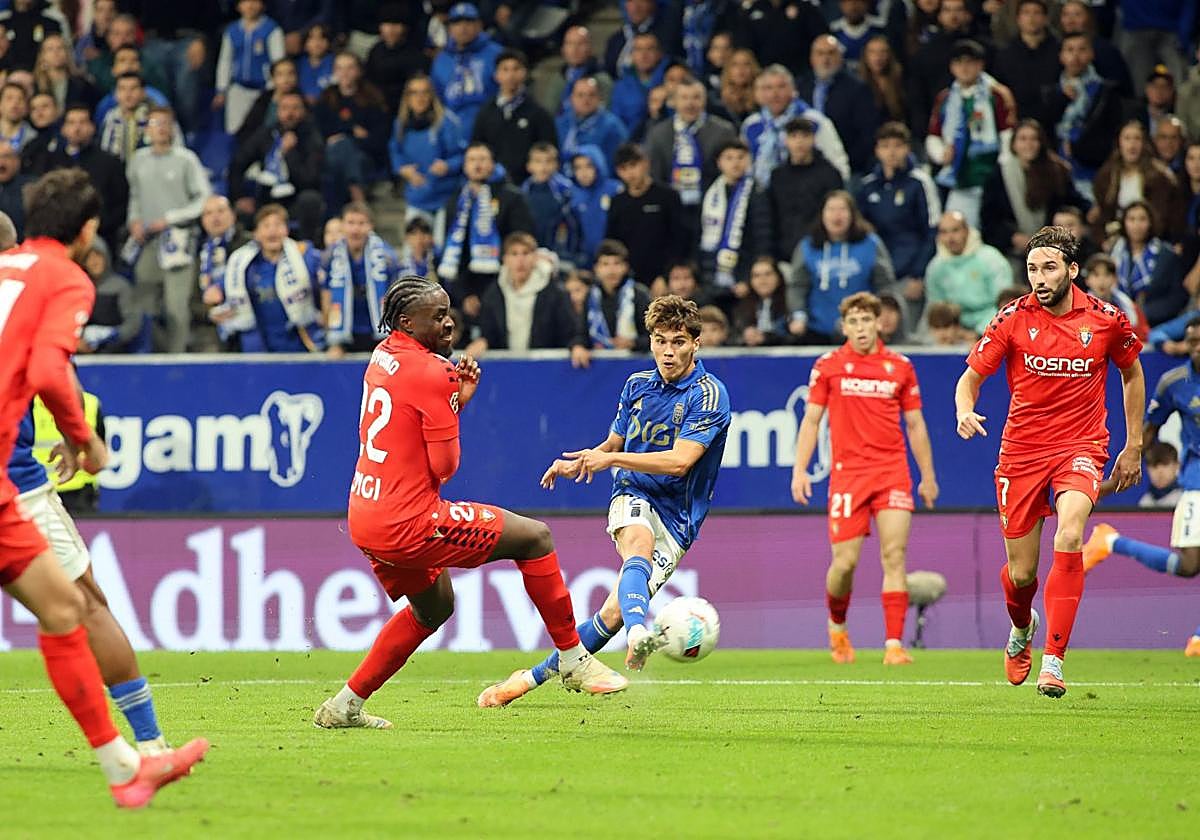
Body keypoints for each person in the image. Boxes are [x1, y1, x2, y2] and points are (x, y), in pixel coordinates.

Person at [313, 276, 626, 729]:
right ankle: (574, 659)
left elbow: (408, 417)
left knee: (434, 607)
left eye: (448, 311)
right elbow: (445, 466)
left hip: (365, 515)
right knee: (535, 537)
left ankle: (343, 706)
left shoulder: (382, 357)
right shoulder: (432, 372)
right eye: (436, 316)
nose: (448, 322)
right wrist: (454, 402)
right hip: (410, 521)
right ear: (406, 321)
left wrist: (449, 398)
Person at [0, 168, 208, 806]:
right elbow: (45, 365)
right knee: (83, 607)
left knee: (64, 611)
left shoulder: (7, 269)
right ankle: (146, 750)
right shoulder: (62, 276)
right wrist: (84, 439)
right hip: (14, 475)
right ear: (89, 230)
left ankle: (129, 768)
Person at [478, 295, 731, 705]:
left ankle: (526, 679)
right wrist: (584, 459)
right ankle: (639, 631)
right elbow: (614, 442)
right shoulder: (636, 386)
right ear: (650, 341)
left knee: (610, 616)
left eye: (679, 342)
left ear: (696, 344)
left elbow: (681, 462)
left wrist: (610, 456)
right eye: (661, 340)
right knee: (638, 546)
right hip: (632, 491)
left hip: (679, 517)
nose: (668, 351)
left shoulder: (708, 395)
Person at [954, 225, 1145, 698]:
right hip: (1021, 452)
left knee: (1071, 532)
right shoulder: (1013, 318)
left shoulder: (1106, 320)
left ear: (1072, 270)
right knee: (1021, 575)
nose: (1039, 277)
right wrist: (963, 408)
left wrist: (1134, 443)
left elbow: (1132, 373)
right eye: (1032, 268)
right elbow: (970, 379)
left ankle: (1054, 662)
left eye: (1049, 268)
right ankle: (1023, 627)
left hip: (1081, 446)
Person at [792, 291, 938, 664]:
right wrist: (800, 469)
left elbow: (916, 424)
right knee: (845, 564)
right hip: (847, 477)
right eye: (853, 322)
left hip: (892, 473)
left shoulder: (900, 366)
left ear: (879, 323)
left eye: (866, 320)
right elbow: (811, 420)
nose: (860, 328)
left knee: (894, 555)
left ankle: (894, 645)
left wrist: (927, 475)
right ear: (844, 327)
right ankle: (837, 627)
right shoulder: (828, 366)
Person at [1081, 320, 1200, 656]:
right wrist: (1120, 473)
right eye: (1192, 342)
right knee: (1189, 565)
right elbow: (1148, 432)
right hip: (1196, 479)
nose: (1197, 348)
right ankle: (1110, 541)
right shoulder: (1175, 383)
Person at [126, 106, 211, 354]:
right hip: (147, 240)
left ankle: (177, 357)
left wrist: (171, 218)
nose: (161, 128)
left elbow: (203, 199)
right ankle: (146, 354)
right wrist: (134, 220)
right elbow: (135, 196)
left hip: (178, 241)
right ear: (146, 129)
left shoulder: (186, 159)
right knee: (144, 301)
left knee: (177, 305)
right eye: (155, 122)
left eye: (166, 123)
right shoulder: (137, 160)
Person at [203, 204, 324, 353]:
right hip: (259, 347)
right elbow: (220, 288)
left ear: (286, 230)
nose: (272, 230)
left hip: (300, 344)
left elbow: (326, 277)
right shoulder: (243, 264)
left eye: (278, 225)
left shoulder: (304, 256)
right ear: (256, 233)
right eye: (266, 226)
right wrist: (215, 292)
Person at [926, 39, 1017, 230]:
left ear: (980, 65)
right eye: (959, 62)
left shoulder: (996, 94)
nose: (964, 68)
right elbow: (934, 134)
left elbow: (1007, 133)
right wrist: (941, 153)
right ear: (952, 67)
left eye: (970, 62)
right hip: (959, 178)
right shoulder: (945, 98)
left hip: (992, 175)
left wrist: (1004, 166)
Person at [438, 141, 535, 319]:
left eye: (482, 159)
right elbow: (453, 253)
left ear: (492, 163)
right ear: (465, 166)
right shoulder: (455, 202)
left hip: (506, 286)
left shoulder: (512, 197)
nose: (477, 164)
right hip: (467, 291)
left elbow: (521, 242)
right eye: (472, 159)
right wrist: (465, 294)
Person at [856, 121, 939, 325]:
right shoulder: (867, 187)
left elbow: (932, 231)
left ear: (907, 149)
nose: (891, 152)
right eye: (885, 146)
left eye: (897, 146)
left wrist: (918, 275)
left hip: (908, 276)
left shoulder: (920, 183)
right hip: (876, 277)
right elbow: (860, 232)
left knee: (906, 333)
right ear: (877, 151)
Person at [786, 190, 895, 345]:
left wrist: (883, 314)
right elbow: (797, 286)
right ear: (822, 215)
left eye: (842, 209)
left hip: (861, 331)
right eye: (831, 209)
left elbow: (885, 284)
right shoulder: (807, 247)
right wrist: (798, 315)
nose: (836, 215)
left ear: (852, 214)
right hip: (816, 330)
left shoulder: (871, 244)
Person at [982, 119, 1087, 261]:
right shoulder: (998, 176)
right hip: (1012, 250)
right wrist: (1012, 237)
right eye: (1023, 139)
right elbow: (989, 219)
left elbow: (1073, 200)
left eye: (1034, 139)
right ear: (1013, 144)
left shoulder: (1056, 171)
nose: (1028, 144)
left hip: (1053, 247)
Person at [645, 77, 738, 238]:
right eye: (684, 98)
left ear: (705, 100)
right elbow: (654, 176)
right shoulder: (657, 134)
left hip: (713, 211)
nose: (690, 104)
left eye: (696, 97)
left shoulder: (724, 131)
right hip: (671, 213)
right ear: (673, 101)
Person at [229, 91, 326, 243]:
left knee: (310, 200)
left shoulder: (312, 138)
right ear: (278, 111)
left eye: (295, 108)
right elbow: (237, 164)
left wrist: (289, 154)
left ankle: (306, 248)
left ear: (304, 111)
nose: (290, 113)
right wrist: (240, 196)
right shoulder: (266, 134)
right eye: (285, 108)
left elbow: (309, 180)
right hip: (266, 199)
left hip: (295, 199)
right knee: (240, 212)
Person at [1043, 32, 1123, 201]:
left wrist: (1081, 148)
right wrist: (1061, 100)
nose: (1075, 56)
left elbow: (1112, 135)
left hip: (1092, 171)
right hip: (1056, 172)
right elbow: (1044, 125)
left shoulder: (1106, 92)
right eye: (1070, 50)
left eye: (1082, 50)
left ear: (1091, 54)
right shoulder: (1050, 92)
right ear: (1061, 56)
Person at [467, 232, 577, 355]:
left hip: (544, 366)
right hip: (507, 367)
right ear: (505, 259)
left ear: (535, 257)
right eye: (514, 254)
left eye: (526, 253)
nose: (520, 260)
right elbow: (488, 331)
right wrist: (483, 341)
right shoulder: (494, 293)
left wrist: (576, 345)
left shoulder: (556, 293)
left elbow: (569, 332)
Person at [741, 63, 849, 187]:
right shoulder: (751, 125)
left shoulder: (814, 121)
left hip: (808, 191)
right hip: (762, 195)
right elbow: (745, 166)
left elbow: (837, 161)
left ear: (793, 90)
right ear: (759, 93)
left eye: (781, 87)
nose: (774, 94)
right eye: (768, 88)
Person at [39, 103, 127, 250]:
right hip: (59, 239)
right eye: (71, 123)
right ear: (63, 129)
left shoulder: (109, 162)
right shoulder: (51, 161)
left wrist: (99, 226)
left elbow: (121, 204)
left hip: (101, 239)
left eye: (82, 122)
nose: (77, 128)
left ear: (92, 127)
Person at [322, 202, 402, 355]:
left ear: (370, 226)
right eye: (350, 223)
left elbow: (396, 296)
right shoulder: (330, 256)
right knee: (333, 356)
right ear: (343, 226)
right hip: (344, 333)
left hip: (380, 331)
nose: (355, 229)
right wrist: (330, 331)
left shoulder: (387, 257)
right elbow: (326, 295)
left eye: (361, 223)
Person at [1090, 120, 1187, 245]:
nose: (1132, 144)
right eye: (1127, 138)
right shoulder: (1106, 176)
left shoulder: (1160, 177)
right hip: (1116, 240)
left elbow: (1166, 218)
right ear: (1119, 142)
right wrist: (1104, 241)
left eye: (1137, 139)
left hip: (1153, 240)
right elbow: (1101, 215)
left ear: (1144, 143)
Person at [470, 48, 556, 187]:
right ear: (496, 75)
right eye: (505, 69)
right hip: (492, 186)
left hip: (529, 187)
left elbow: (549, 150)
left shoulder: (539, 114)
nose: (510, 75)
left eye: (516, 69)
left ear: (525, 73)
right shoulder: (485, 113)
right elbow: (477, 148)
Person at [605, 142, 686, 287]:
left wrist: (665, 276)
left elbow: (679, 241)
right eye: (624, 168)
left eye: (633, 165)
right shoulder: (617, 202)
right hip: (628, 280)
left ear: (645, 164)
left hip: (663, 279)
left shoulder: (668, 197)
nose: (630, 173)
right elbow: (613, 243)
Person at [316, 52, 390, 206]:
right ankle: (357, 195)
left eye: (350, 68)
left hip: (365, 157)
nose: (344, 73)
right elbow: (320, 132)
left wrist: (345, 137)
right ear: (334, 71)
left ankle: (349, 199)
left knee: (345, 148)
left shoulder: (373, 99)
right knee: (338, 151)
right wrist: (352, 131)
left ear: (359, 71)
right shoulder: (326, 98)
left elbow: (378, 140)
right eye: (340, 68)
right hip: (329, 156)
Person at [389, 74, 466, 223]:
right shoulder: (400, 124)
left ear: (432, 96)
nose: (420, 98)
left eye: (425, 92)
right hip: (416, 198)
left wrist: (448, 165)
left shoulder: (447, 122)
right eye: (414, 93)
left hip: (446, 198)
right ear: (407, 97)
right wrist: (402, 169)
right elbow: (395, 151)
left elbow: (462, 156)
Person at [698, 138, 769, 301]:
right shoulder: (709, 193)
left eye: (740, 157)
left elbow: (762, 238)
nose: (735, 163)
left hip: (744, 277)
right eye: (729, 158)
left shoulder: (757, 193)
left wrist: (748, 278)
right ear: (719, 162)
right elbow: (699, 234)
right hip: (711, 276)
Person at [797, 35, 878, 175]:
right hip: (804, 167)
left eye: (831, 53)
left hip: (846, 165)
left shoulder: (857, 89)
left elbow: (867, 134)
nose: (825, 59)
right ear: (811, 58)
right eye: (820, 53)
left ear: (840, 57)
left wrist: (844, 160)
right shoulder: (801, 86)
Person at [924, 211, 1013, 336]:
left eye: (955, 230)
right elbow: (936, 309)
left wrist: (979, 333)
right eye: (944, 232)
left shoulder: (992, 259)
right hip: (954, 334)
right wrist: (953, 332)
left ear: (966, 231)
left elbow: (1005, 305)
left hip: (993, 330)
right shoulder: (935, 268)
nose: (950, 238)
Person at [767, 116, 843, 262]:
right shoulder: (777, 176)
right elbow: (772, 215)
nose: (799, 142)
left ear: (813, 139)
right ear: (786, 141)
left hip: (820, 250)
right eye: (794, 136)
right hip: (784, 252)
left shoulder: (830, 174)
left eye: (805, 136)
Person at [569, 238, 652, 367]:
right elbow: (581, 333)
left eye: (617, 263)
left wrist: (633, 343)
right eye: (605, 264)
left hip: (636, 366)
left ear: (625, 267)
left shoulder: (639, 295)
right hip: (599, 369)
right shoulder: (590, 296)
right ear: (596, 268)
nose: (611, 270)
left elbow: (655, 337)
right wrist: (578, 346)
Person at [1108, 200, 1187, 327]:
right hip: (1117, 322)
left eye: (1142, 219)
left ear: (1150, 222)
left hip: (1155, 323)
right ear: (1124, 223)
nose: (1136, 225)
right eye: (1131, 219)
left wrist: (1141, 314)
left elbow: (1177, 297)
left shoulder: (1166, 254)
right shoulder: (1115, 252)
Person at [430, 2, 504, 136]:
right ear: (450, 28)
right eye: (457, 23)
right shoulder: (441, 59)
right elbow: (438, 97)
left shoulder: (496, 54)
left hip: (491, 125)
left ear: (479, 25)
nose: (463, 28)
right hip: (453, 129)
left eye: (468, 22)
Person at [214, 0, 286, 135]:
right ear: (239, 5)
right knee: (235, 130)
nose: (250, 5)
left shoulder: (271, 29)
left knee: (264, 130)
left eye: (255, 1)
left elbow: (278, 61)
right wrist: (222, 89)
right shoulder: (232, 31)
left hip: (264, 90)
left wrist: (274, 88)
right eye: (246, 1)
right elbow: (225, 61)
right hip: (238, 89)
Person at [991, 0, 1060, 128]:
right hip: (1017, 122)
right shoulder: (1005, 54)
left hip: (1053, 121)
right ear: (1018, 19)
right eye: (1026, 13)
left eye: (1037, 13)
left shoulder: (1060, 51)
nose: (1031, 18)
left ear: (1045, 18)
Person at [522, 142, 582, 267]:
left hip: (559, 253)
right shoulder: (523, 192)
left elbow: (573, 226)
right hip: (531, 253)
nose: (543, 166)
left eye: (548, 161)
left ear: (556, 165)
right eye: (538, 161)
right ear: (529, 166)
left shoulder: (566, 191)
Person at [365, 4, 430, 115]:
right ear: (380, 27)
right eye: (386, 23)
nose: (391, 29)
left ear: (404, 28)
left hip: (405, 111)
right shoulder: (376, 51)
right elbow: (368, 81)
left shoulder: (415, 55)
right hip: (377, 107)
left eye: (396, 24)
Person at [556, 75, 630, 173]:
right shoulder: (561, 122)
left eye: (591, 95)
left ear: (599, 98)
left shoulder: (612, 125)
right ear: (571, 98)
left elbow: (621, 162)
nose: (586, 100)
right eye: (580, 95)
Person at [540, 25, 613, 117]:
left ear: (590, 48)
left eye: (580, 43)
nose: (574, 49)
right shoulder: (559, 78)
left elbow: (605, 114)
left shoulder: (602, 80)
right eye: (569, 43)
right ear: (563, 49)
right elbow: (549, 111)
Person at [609, 32, 670, 137]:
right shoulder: (621, 87)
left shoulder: (670, 81)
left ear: (659, 53)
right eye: (638, 49)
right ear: (632, 55)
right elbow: (616, 123)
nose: (644, 55)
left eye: (649, 49)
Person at [569, 145, 622, 265]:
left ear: (599, 165)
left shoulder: (615, 190)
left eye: (589, 166)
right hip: (585, 261)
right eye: (578, 167)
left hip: (613, 260)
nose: (583, 172)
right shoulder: (572, 195)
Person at [733, 256, 791, 346]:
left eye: (768, 274)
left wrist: (766, 338)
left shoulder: (791, 303)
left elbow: (792, 336)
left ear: (778, 277)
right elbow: (734, 335)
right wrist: (746, 335)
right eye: (756, 276)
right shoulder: (742, 306)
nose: (762, 280)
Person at [858, 35, 906, 126]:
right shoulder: (856, 84)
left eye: (883, 52)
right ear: (865, 56)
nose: (878, 57)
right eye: (872, 52)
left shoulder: (901, 82)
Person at [297, 22, 335, 104]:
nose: (317, 43)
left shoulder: (336, 63)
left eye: (322, 38)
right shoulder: (298, 64)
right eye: (312, 38)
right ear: (305, 43)